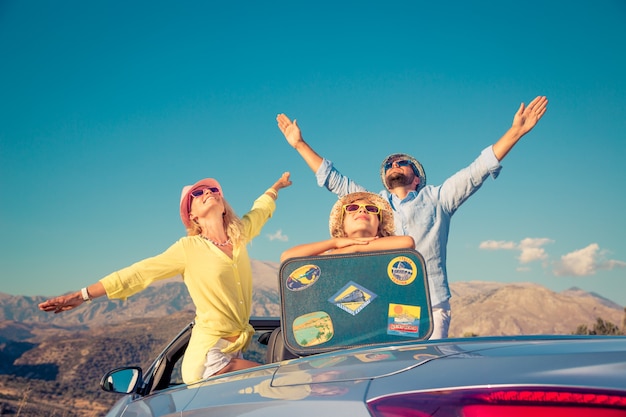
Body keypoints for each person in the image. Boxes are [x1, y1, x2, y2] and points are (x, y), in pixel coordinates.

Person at [276, 96, 548, 339]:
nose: (393, 165)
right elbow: (334, 180)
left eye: (401, 162)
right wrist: (299, 144)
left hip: (432, 303)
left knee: (425, 374)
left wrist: (515, 132)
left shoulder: (440, 198)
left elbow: (477, 170)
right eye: (388, 165)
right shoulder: (373, 205)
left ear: (416, 177)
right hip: (391, 303)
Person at [38, 172, 292, 384]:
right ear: (193, 217)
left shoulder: (239, 236)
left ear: (224, 205)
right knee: (275, 381)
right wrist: (82, 295)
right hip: (208, 362)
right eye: (197, 193)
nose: (207, 193)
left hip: (230, 354)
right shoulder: (187, 249)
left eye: (212, 190)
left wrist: (276, 187)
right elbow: (138, 273)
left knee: (273, 386)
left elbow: (260, 210)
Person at [280, 191, 414, 262]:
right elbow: (287, 257)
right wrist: (334, 243)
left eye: (371, 209)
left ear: (379, 226)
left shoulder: (389, 251)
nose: (362, 211)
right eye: (353, 208)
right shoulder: (331, 254)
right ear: (341, 225)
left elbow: (407, 242)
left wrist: (355, 248)